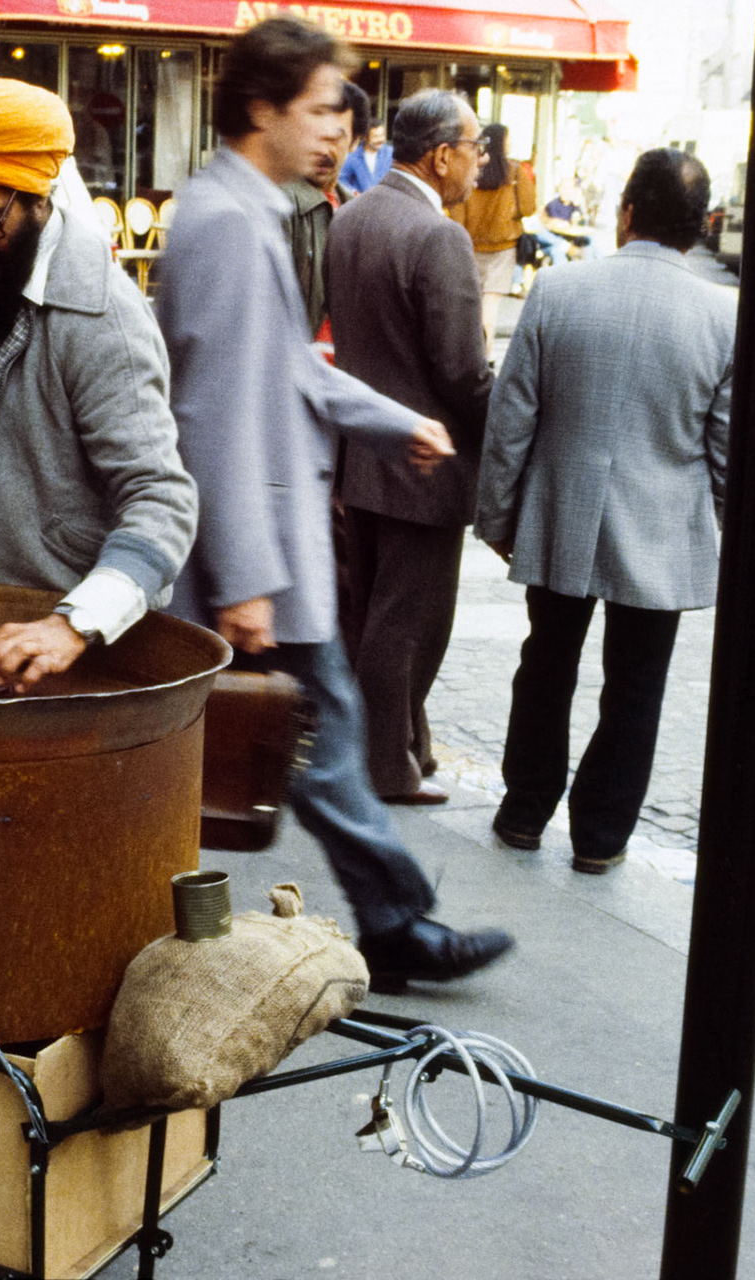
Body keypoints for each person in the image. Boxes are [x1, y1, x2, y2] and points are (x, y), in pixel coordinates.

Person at [158, 17, 512, 992]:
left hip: (274, 548)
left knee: (315, 746)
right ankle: (397, 924)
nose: (337, 132)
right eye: (319, 110)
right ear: (263, 108)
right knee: (313, 744)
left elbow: (289, 376)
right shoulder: (229, 221)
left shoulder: (247, 208)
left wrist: (392, 417)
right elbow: (217, 411)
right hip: (262, 554)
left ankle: (395, 921)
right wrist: (247, 579)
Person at [0, 78, 198, 693]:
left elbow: (162, 499)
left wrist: (72, 626)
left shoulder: (103, 321)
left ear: (35, 198)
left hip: (55, 636)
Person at [475, 148, 734, 875]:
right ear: (702, 226)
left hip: (564, 513)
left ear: (625, 212)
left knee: (546, 663)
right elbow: (726, 454)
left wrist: (498, 516)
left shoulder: (558, 291)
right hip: (662, 529)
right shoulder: (722, 318)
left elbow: (511, 422)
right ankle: (601, 836)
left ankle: (524, 811)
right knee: (637, 687)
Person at [325, 88, 491, 805]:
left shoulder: (351, 216)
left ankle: (403, 751)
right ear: (443, 154)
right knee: (409, 625)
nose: (482, 164)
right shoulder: (438, 236)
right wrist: (504, 430)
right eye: (477, 149)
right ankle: (386, 767)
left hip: (361, 455)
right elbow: (461, 372)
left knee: (372, 615)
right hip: (422, 466)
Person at [281, 77, 370, 339]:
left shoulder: (354, 211)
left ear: (355, 142)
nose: (322, 149)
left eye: (334, 137)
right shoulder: (280, 203)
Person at [449, 121, 536, 352]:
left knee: (471, 304)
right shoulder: (515, 171)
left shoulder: (472, 168)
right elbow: (528, 206)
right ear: (503, 143)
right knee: (491, 306)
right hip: (503, 247)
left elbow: (456, 209)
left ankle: (468, 352)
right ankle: (485, 354)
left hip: (472, 245)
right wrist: (509, 214)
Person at [339, 116, 393, 193]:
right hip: (361, 203)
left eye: (382, 135)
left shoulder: (390, 153)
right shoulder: (353, 156)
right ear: (365, 137)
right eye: (375, 136)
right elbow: (341, 180)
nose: (380, 140)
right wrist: (353, 192)